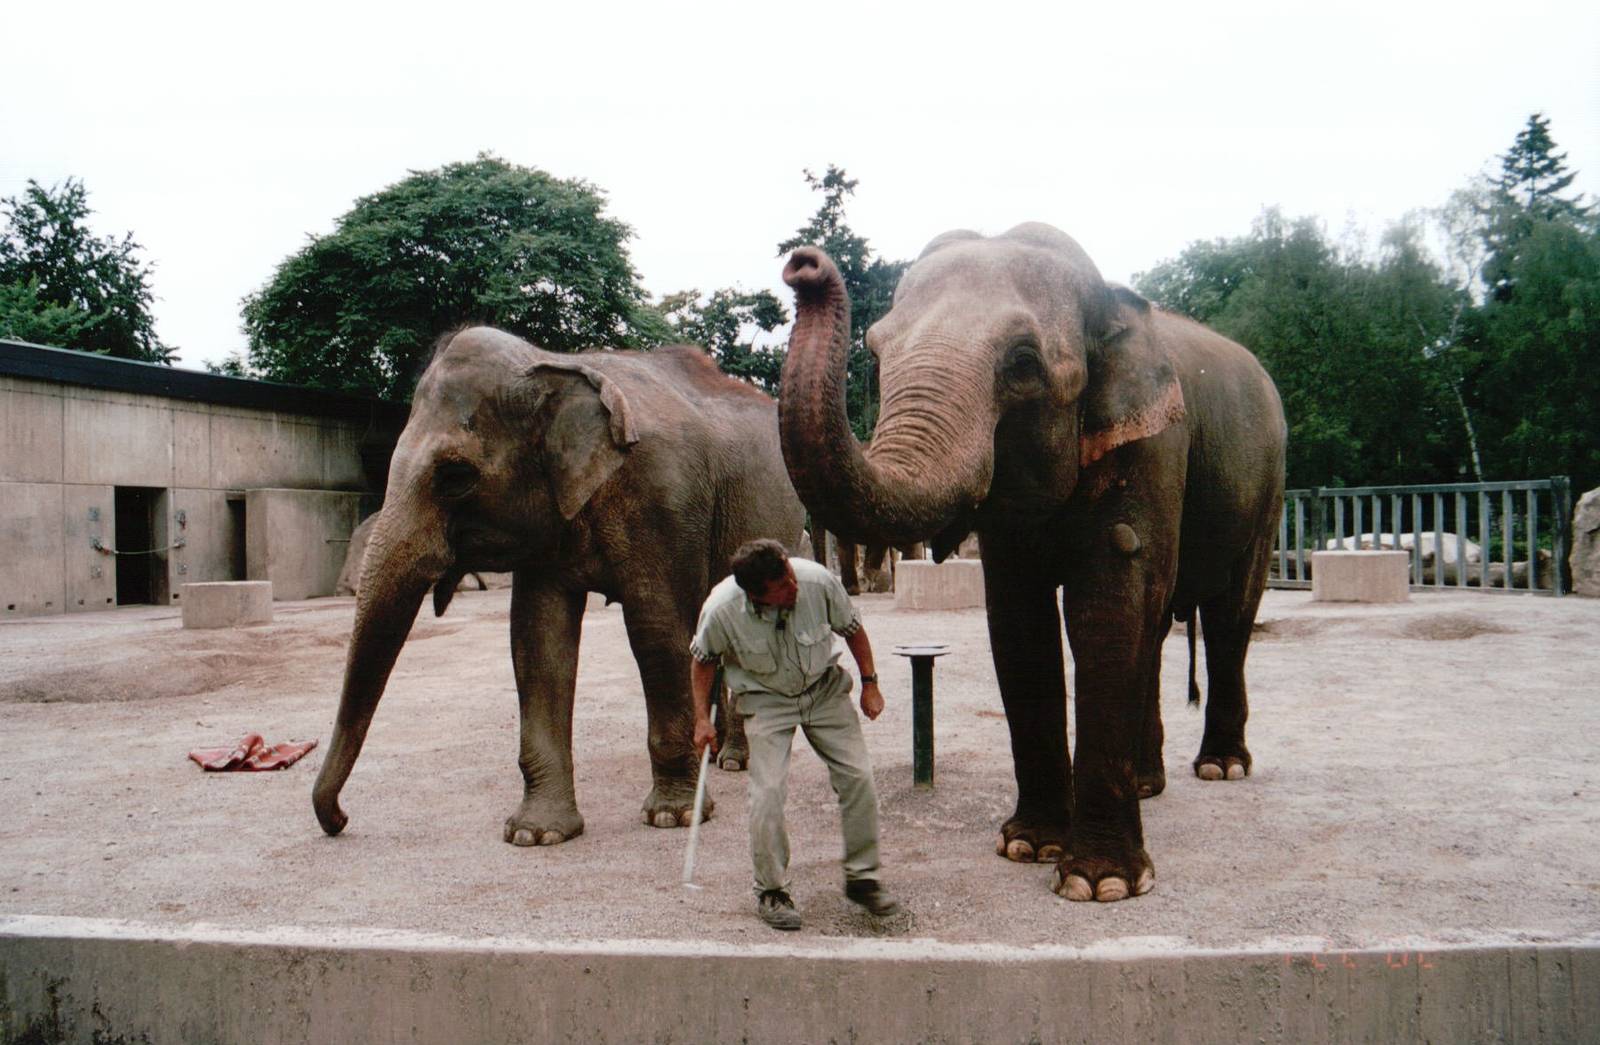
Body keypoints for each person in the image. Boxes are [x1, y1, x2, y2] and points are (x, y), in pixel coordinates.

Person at [690, 538, 902, 931]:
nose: (793, 587)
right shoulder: (721, 610)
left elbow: (853, 629)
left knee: (859, 777)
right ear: (756, 595)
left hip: (823, 689)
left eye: (790, 574)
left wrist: (870, 682)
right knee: (767, 793)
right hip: (765, 698)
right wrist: (702, 718)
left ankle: (863, 877)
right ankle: (772, 890)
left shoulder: (817, 582)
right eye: (782, 586)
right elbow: (702, 661)